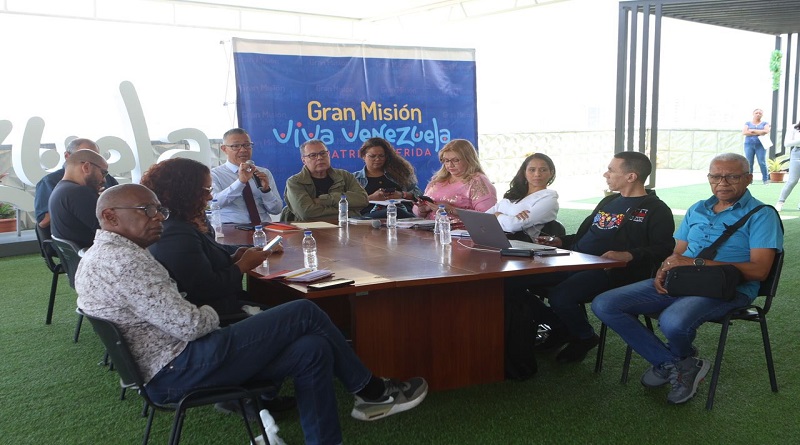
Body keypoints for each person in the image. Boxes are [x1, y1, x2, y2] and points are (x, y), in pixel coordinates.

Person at [75, 183, 428, 445]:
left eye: (159, 210)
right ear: (110, 216)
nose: (157, 218)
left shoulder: (105, 254)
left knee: (312, 349)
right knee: (303, 311)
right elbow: (191, 324)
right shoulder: (124, 261)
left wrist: (196, 308)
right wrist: (208, 310)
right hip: (177, 367)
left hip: (171, 361)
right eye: (146, 210)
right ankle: (371, 390)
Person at [592, 153, 783, 405]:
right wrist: (663, 269)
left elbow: (759, 271)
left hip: (727, 288)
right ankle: (677, 363)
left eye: (732, 177)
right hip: (682, 281)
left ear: (748, 179)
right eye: (715, 176)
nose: (722, 183)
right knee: (605, 303)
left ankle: (674, 363)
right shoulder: (698, 208)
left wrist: (696, 263)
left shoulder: (762, 215)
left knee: (672, 322)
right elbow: (677, 253)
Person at [505, 151, 675, 365]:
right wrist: (560, 241)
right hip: (575, 259)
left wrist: (629, 255)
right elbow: (587, 235)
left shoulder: (656, 209)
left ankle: (584, 336)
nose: (606, 174)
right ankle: (559, 326)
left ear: (631, 176)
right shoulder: (609, 201)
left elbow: (664, 248)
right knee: (510, 282)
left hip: (612, 271)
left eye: (611, 170)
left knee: (560, 296)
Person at [142, 158, 276, 319]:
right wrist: (242, 265)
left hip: (225, 305)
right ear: (185, 192)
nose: (211, 196)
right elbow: (205, 288)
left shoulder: (189, 219)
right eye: (206, 190)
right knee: (301, 310)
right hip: (213, 317)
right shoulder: (175, 233)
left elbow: (205, 255)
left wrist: (237, 255)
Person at [34, 138, 118, 231]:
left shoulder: (104, 178)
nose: (103, 179)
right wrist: (90, 200)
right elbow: (42, 222)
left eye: (96, 156)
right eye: (87, 156)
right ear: (67, 156)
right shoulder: (54, 183)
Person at [280, 139, 369, 221]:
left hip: (344, 228)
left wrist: (324, 200)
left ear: (328, 155)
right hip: (307, 230)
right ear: (304, 160)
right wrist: (350, 213)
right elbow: (307, 214)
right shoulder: (295, 182)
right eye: (313, 155)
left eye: (323, 153)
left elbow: (363, 200)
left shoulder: (344, 176)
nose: (319, 158)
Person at [211, 128, 283, 225]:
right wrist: (240, 183)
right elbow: (214, 204)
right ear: (224, 149)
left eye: (247, 145)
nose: (243, 150)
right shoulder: (214, 174)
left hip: (263, 227)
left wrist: (266, 191)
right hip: (231, 228)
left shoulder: (263, 172)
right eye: (236, 146)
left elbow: (276, 210)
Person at [412, 139, 497, 221]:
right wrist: (422, 210)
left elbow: (488, 216)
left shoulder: (477, 181)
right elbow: (417, 211)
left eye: (455, 160)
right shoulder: (438, 180)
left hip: (461, 230)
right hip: (431, 228)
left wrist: (452, 210)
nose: (450, 165)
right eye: (446, 160)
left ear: (468, 159)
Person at [485, 153, 559, 240]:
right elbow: (483, 218)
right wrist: (509, 218)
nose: (537, 174)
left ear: (551, 173)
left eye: (543, 170)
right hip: (492, 239)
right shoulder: (515, 194)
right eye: (532, 170)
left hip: (519, 245)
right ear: (525, 173)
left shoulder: (549, 199)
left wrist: (498, 215)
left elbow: (513, 226)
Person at [48, 149, 109, 248]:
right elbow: (110, 231)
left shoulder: (61, 190)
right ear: (86, 167)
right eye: (103, 173)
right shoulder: (79, 193)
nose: (104, 180)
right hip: (94, 254)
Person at [353, 137, 422, 218]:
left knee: (396, 210)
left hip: (402, 216)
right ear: (363, 156)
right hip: (368, 218)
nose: (377, 159)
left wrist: (402, 195)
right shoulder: (355, 178)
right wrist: (370, 198)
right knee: (392, 211)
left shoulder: (398, 174)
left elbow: (419, 195)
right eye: (372, 156)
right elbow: (346, 202)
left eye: (381, 156)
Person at [775, 120, 800, 211]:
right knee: (792, 180)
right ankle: (780, 202)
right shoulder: (794, 127)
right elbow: (787, 143)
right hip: (797, 153)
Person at [743, 108, 771, 184]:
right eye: (756, 113)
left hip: (761, 145)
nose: (758, 114)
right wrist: (759, 132)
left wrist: (753, 131)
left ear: (762, 115)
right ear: (753, 114)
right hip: (749, 144)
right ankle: (749, 180)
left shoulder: (765, 123)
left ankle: (765, 179)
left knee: (762, 162)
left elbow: (766, 131)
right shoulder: (748, 123)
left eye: (760, 113)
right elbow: (745, 132)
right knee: (749, 162)